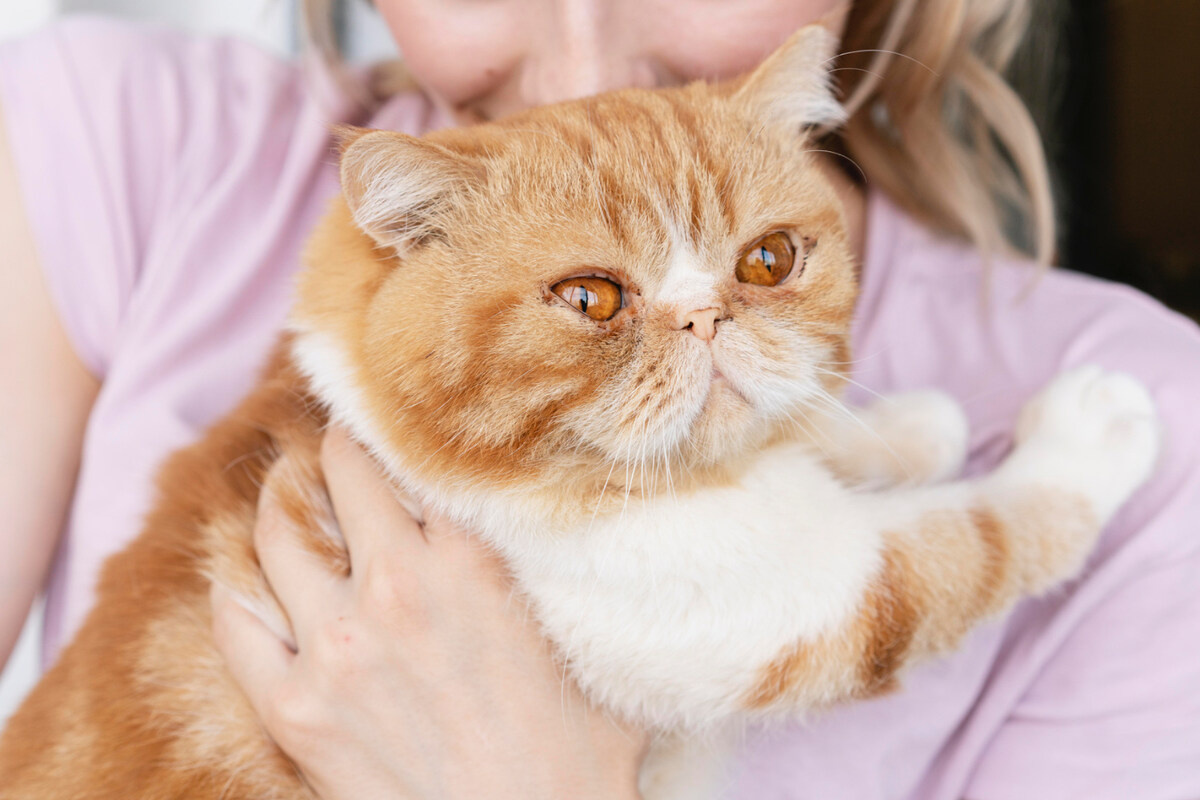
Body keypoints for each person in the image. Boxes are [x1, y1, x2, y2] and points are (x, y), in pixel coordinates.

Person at [2, 1, 1198, 797]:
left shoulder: (1167, 445)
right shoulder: (108, 132)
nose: (579, 62)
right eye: (588, 297)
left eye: (770, 264)